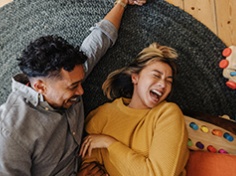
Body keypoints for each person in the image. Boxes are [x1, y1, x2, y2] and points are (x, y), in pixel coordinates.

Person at [0, 0, 147, 175]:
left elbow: (100, 39)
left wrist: (122, 3)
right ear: (40, 86)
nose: (81, 91)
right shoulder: (7, 137)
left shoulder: (64, 78)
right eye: (73, 87)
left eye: (80, 82)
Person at [79, 43, 190, 176]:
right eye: (156, 75)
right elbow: (89, 165)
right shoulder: (103, 115)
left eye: (168, 81)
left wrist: (109, 143)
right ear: (135, 77)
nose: (163, 84)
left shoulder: (167, 114)